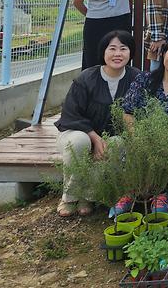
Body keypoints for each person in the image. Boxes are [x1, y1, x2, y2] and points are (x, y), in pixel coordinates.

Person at [55, 30, 140, 217]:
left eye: (123, 49)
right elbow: (71, 114)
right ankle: (69, 197)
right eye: (112, 49)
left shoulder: (136, 79)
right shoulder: (86, 78)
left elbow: (139, 114)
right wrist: (94, 137)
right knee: (80, 142)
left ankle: (88, 196)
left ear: (130, 52)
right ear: (103, 51)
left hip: (113, 136)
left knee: (117, 144)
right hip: (77, 132)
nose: (117, 54)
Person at [114, 37, 168, 216]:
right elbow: (127, 112)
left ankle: (160, 193)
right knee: (130, 149)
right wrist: (140, 136)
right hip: (140, 138)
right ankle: (132, 191)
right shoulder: (144, 79)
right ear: (163, 54)